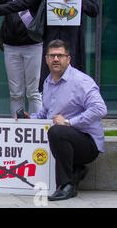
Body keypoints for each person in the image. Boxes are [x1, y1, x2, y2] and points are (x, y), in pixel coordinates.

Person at [22, 40, 106, 201]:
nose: (55, 59)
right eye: (52, 55)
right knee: (57, 131)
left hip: (88, 143)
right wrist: (30, 118)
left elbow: (100, 109)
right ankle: (76, 171)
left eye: (60, 55)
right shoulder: (48, 82)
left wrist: (68, 122)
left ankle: (66, 186)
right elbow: (47, 112)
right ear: (46, 59)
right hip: (68, 140)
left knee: (57, 131)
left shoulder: (81, 81)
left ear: (68, 59)